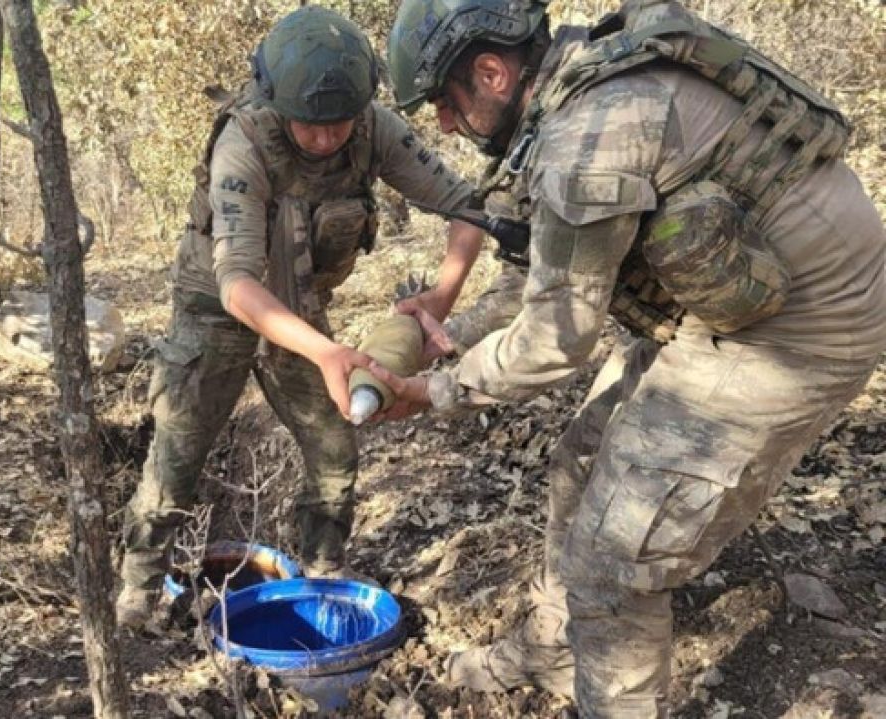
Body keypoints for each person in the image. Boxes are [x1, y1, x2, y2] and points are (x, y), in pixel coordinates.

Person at [378, 0, 886, 715]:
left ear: (491, 73)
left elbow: (557, 339)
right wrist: (450, 331)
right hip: (729, 306)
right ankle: (557, 647)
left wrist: (435, 391)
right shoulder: (571, 92)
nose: (444, 126)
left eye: (443, 102)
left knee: (614, 564)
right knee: (580, 461)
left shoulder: (591, 134)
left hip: (799, 330)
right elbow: (540, 280)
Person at [115, 5, 490, 629]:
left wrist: (440, 300)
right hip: (216, 311)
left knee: (335, 445)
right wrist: (325, 351)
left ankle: (322, 569)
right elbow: (236, 283)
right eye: (310, 125)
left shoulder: (374, 130)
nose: (324, 139)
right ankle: (139, 588)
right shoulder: (244, 141)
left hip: (302, 310)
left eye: (338, 124)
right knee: (178, 455)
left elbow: (467, 207)